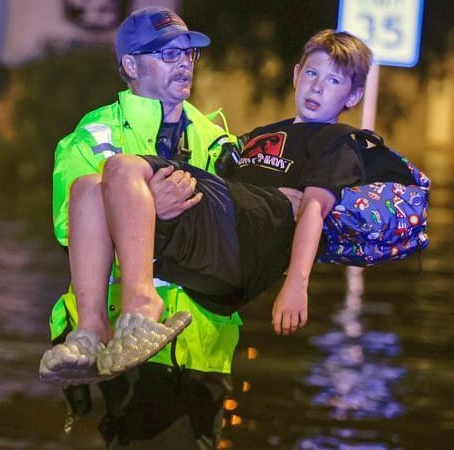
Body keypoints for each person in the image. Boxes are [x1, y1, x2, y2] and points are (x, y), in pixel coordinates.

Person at [42, 29, 383, 384]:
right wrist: (148, 206)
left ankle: (141, 306)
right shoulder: (256, 138)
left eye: (332, 80)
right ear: (296, 75)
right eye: (312, 74)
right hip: (207, 246)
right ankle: (92, 331)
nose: (317, 87)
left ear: (354, 95)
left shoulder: (336, 143)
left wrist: (297, 284)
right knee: (87, 187)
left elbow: (311, 210)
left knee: (122, 168)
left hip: (229, 260)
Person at [41, 6, 242, 449]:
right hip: (122, 339)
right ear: (131, 65)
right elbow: (68, 228)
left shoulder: (217, 140)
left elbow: (236, 234)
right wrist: (154, 205)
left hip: (202, 342)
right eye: (168, 54)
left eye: (188, 54)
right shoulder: (95, 135)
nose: (184, 63)